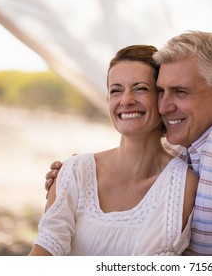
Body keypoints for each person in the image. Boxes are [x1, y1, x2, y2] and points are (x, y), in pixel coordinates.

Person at [45, 31, 212, 255]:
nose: (165, 106)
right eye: (161, 91)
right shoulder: (196, 140)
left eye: (180, 92)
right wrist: (72, 178)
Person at [29, 45, 198, 256]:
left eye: (140, 88)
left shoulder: (182, 183)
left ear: (161, 97)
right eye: (116, 90)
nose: (126, 100)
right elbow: (45, 253)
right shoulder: (75, 171)